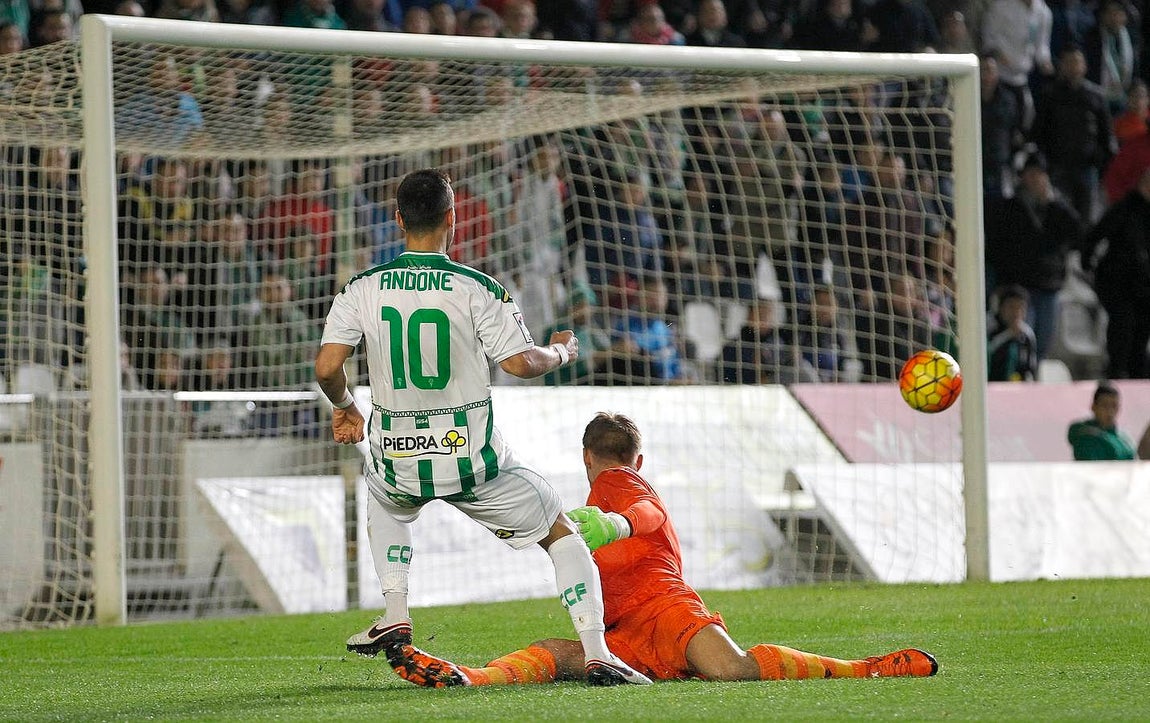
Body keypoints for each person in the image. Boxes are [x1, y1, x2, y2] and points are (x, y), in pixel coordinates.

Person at [316, 169, 651, 686]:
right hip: (472, 460)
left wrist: (346, 405)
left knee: (382, 497)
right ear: (453, 218)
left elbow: (326, 366)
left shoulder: (362, 288)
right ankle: (596, 651)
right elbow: (519, 363)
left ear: (398, 219)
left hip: (399, 458)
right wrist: (562, 349)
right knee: (560, 532)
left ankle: (396, 612)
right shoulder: (477, 288)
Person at [384, 412, 938, 688]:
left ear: (586, 457)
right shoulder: (605, 495)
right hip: (626, 627)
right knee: (562, 653)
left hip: (669, 609)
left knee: (735, 671)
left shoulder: (618, 484)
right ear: (639, 456)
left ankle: (866, 669)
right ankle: (468, 678)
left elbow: (649, 517)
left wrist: (611, 524)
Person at [1080, 166, 1150, 379]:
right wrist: (1088, 263)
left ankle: (1138, 374)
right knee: (1122, 327)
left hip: (1145, 286)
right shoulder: (1124, 209)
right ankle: (1118, 372)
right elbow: (1095, 235)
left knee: (1142, 332)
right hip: (1120, 283)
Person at [1067, 382, 1137, 460]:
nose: (1110, 411)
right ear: (1093, 407)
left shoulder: (1124, 438)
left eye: (1114, 405)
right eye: (1104, 405)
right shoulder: (1084, 434)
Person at [986, 284, 1039, 382]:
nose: (1016, 312)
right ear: (1000, 308)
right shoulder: (988, 325)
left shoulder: (1027, 333)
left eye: (1020, 308)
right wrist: (1008, 335)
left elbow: (1031, 367)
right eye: (1011, 307)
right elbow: (986, 353)